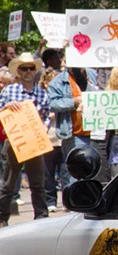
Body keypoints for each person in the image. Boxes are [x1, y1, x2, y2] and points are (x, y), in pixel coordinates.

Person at [0, 53, 49, 226]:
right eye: (24, 68)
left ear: (35, 70)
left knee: (37, 182)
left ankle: (41, 217)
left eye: (31, 68)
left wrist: (46, 126)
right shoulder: (8, 91)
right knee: (8, 182)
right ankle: (2, 217)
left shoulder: (42, 94)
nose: (28, 71)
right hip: (14, 141)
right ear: (18, 71)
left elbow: (47, 116)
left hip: (35, 142)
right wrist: (5, 107)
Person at [40, 68, 64, 212]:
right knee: (47, 173)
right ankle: (50, 201)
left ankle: (67, 201)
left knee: (65, 172)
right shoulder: (42, 97)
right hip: (47, 138)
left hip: (62, 138)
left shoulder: (62, 97)